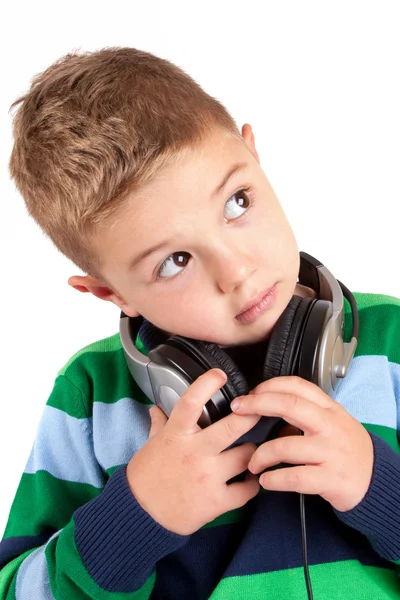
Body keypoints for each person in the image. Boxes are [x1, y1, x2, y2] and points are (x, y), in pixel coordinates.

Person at [0, 46, 399, 600]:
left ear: (254, 155)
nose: (237, 271)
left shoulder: (392, 342)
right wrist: (132, 521)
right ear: (110, 293)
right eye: (174, 262)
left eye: (237, 202)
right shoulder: (91, 396)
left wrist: (380, 489)